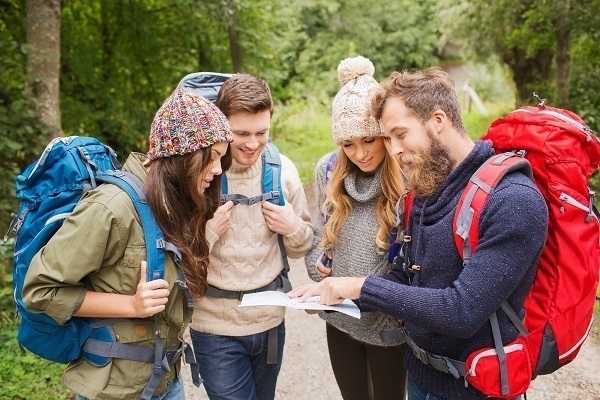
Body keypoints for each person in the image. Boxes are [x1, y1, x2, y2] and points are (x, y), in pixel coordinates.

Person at [289, 67, 548, 400]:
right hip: (421, 377)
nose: (393, 150)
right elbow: (404, 278)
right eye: (388, 138)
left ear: (437, 121)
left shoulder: (513, 200)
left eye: (399, 134)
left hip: (475, 389)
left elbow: (462, 311)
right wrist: (333, 292)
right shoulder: (426, 188)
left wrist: (360, 286)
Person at [22, 87, 233, 400]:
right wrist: (130, 305)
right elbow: (39, 292)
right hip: (116, 391)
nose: (218, 169)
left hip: (166, 380)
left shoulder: (174, 201)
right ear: (183, 154)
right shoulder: (111, 207)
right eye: (212, 157)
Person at [189, 74, 313, 400]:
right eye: (241, 133)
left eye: (262, 133)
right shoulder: (200, 175)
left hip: (271, 323)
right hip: (215, 329)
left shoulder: (281, 169)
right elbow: (177, 259)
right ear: (220, 126)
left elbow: (302, 247)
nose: (252, 144)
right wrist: (209, 235)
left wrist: (294, 229)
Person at [304, 55, 407, 400]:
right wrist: (320, 267)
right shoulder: (328, 170)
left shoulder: (408, 177)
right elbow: (321, 234)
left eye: (369, 140)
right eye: (349, 144)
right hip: (341, 320)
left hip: (389, 326)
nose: (360, 153)